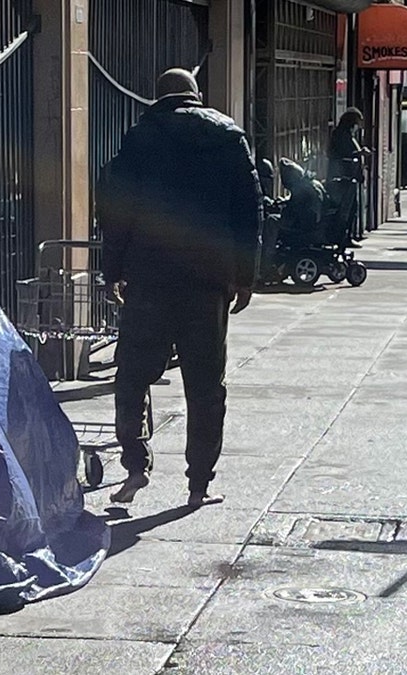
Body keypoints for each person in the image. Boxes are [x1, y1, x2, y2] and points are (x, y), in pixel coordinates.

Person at [95, 68, 261, 507]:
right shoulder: (228, 137)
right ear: (197, 96)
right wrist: (245, 276)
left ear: (158, 96)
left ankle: (135, 463)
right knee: (206, 386)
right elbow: (249, 211)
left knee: (132, 375)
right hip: (207, 283)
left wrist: (112, 270)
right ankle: (199, 484)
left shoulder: (137, 138)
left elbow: (116, 210)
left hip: (149, 279)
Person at [326, 108, 369, 249]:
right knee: (346, 209)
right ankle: (343, 236)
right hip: (343, 178)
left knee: (352, 208)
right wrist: (359, 153)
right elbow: (343, 154)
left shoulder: (349, 135)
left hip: (351, 177)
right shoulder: (341, 135)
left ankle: (348, 235)